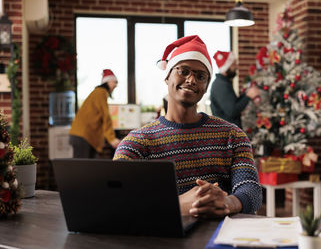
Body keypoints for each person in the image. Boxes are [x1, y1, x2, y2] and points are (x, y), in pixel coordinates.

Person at [113, 35, 262, 218]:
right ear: (167, 77)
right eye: (183, 71)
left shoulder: (233, 136)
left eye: (201, 76)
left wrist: (228, 203)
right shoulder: (136, 143)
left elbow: (251, 190)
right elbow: (117, 198)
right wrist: (179, 204)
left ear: (206, 86)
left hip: (221, 238)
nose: (191, 80)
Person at [69, 69, 121, 158]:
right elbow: (105, 116)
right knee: (82, 168)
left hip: (81, 135)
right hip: (83, 136)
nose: (116, 85)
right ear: (108, 82)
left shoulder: (97, 92)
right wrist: (112, 139)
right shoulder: (101, 92)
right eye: (115, 82)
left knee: (87, 167)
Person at [210, 51, 260, 129]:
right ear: (227, 67)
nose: (236, 67)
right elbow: (232, 111)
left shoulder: (223, 83)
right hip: (226, 135)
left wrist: (247, 93)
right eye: (233, 64)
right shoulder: (221, 86)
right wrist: (248, 96)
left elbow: (233, 104)